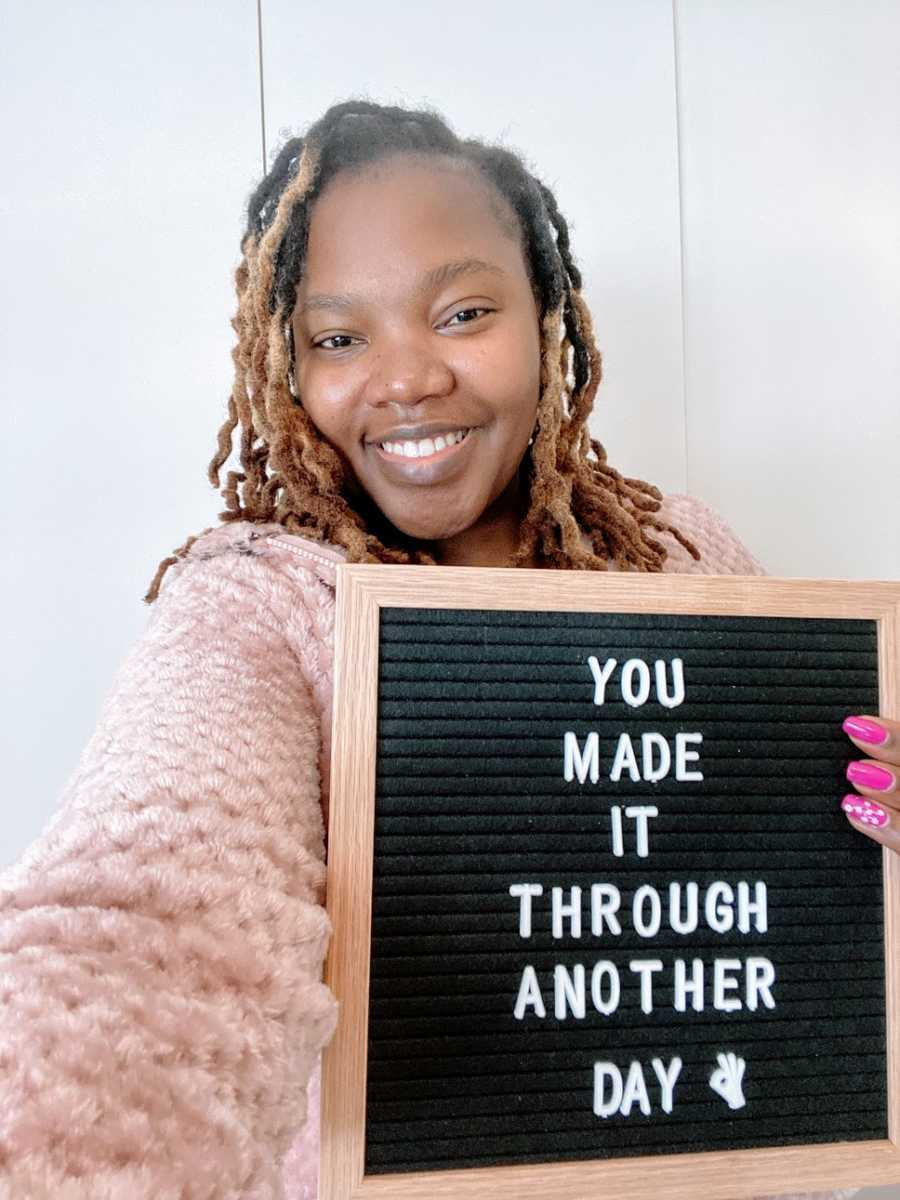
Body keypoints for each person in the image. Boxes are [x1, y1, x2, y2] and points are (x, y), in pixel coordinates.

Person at [0, 98, 892, 1200]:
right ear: (282, 367)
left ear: (549, 318)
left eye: (463, 313)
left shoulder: (679, 550)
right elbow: (150, 931)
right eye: (338, 338)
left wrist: (870, 844)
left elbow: (791, 903)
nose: (408, 376)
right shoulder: (254, 604)